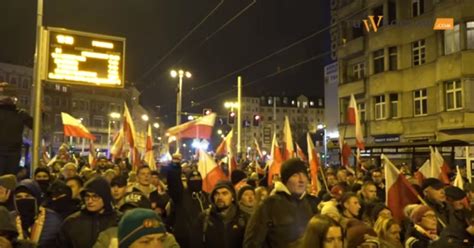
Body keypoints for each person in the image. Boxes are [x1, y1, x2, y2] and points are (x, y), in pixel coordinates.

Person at [244, 158, 316, 248]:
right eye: (295, 175)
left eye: (304, 175)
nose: (301, 180)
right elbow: (252, 243)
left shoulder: (312, 204)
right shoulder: (269, 206)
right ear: (285, 180)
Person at [58, 177, 119, 248]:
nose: (90, 201)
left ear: (105, 197)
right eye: (87, 196)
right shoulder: (71, 222)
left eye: (95, 196)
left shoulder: (118, 220)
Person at [167, 156, 209, 248]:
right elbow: (173, 183)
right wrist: (175, 166)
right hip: (185, 240)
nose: (196, 180)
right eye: (193, 179)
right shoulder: (180, 195)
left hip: (204, 240)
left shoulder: (207, 196)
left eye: (198, 177)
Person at [191, 181, 249, 248]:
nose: (220, 197)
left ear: (233, 197)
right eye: (216, 194)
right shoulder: (204, 218)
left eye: (224, 193)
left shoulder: (244, 218)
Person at [14, 179, 62, 247]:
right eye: (19, 197)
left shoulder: (53, 220)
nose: (23, 200)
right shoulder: (10, 219)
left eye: (28, 196)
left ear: (37, 198)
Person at [0, 82, 33, 176]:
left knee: (9, 181)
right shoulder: (20, 114)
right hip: (12, 153)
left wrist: (41, 113)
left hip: (13, 154)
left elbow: (36, 125)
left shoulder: (20, 114)